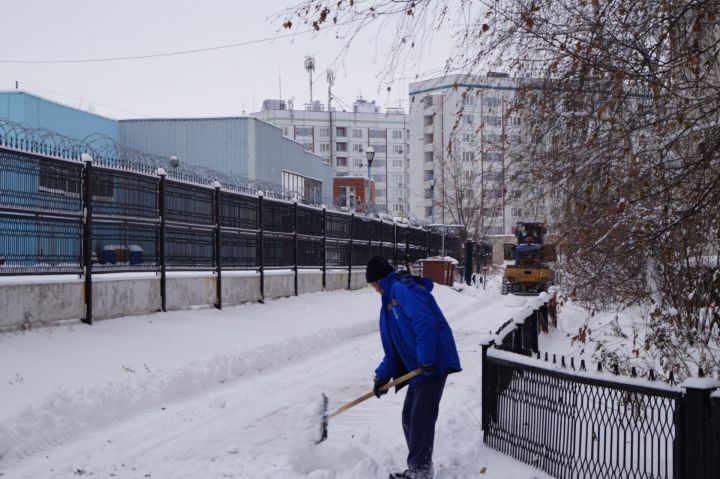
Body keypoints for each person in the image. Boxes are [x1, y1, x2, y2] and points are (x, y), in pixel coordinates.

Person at [365, 256, 462, 479]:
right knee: (410, 416)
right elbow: (395, 348)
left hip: (432, 362)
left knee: (420, 418)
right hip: (421, 365)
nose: (373, 289)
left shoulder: (403, 290)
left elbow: (424, 322)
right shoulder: (390, 301)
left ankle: (420, 470)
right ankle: (419, 466)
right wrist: (382, 377)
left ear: (377, 281)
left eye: (372, 285)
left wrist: (426, 359)